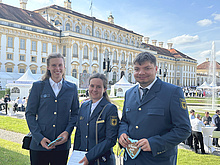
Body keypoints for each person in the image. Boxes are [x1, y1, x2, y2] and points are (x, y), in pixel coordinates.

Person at [118, 52, 191, 165]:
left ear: (156, 69)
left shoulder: (172, 92)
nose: (141, 73)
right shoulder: (129, 93)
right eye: (137, 69)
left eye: (147, 68)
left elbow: (184, 129)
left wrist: (155, 143)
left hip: (158, 160)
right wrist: (122, 133)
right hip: (131, 160)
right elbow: (125, 121)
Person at [25, 53, 79, 165]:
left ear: (64, 67)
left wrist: (67, 132)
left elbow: (75, 113)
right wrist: (39, 137)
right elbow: (30, 114)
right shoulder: (38, 86)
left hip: (62, 145)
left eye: (60, 65)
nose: (57, 68)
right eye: (54, 65)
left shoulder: (72, 88)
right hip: (39, 145)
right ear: (48, 67)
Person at [73, 73, 119, 165]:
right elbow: (79, 134)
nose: (94, 89)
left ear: (105, 89)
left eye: (98, 87)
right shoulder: (84, 106)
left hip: (101, 161)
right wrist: (75, 157)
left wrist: (89, 156)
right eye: (92, 86)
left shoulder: (110, 109)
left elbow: (110, 140)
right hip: (83, 160)